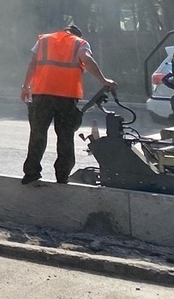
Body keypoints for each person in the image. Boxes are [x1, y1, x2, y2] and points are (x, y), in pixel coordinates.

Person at [20, 23, 115, 185]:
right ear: (77, 34)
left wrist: (26, 87)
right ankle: (62, 176)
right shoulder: (80, 43)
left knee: (37, 134)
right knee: (65, 137)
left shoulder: (44, 40)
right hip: (66, 97)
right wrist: (103, 80)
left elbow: (32, 64)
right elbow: (87, 59)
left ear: (63, 31)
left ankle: (31, 172)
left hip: (41, 95)